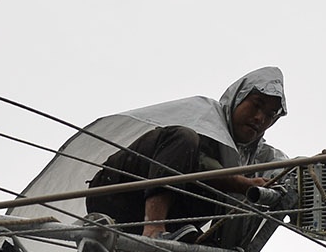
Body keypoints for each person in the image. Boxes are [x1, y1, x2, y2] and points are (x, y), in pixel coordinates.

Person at [84, 69, 286, 240]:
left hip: (155, 218)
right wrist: (241, 183)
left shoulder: (255, 154)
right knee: (184, 138)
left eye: (270, 114)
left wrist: (306, 172)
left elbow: (286, 168)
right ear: (239, 97)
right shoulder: (205, 115)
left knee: (226, 214)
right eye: (257, 104)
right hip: (116, 193)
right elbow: (198, 164)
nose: (260, 118)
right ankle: (154, 229)